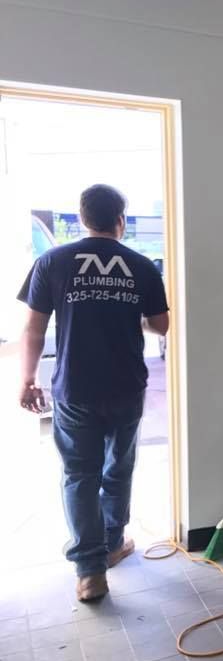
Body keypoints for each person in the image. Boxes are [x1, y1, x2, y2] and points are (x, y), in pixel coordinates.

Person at [17, 184, 169, 602]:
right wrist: (128, 318)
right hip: (124, 387)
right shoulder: (140, 265)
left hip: (75, 387)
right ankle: (113, 543)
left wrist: (26, 379)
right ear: (120, 220)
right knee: (117, 470)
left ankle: (89, 572)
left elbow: (33, 328)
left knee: (79, 475)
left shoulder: (52, 261)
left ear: (82, 219)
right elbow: (161, 325)